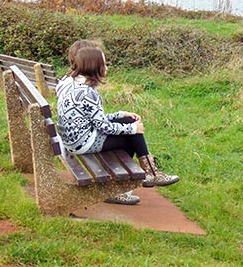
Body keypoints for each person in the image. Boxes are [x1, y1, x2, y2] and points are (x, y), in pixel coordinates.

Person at [56, 45, 179, 205]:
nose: (106, 67)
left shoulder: (73, 85)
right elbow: (103, 127)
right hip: (82, 143)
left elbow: (92, 118)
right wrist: (132, 129)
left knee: (129, 125)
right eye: (104, 64)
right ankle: (141, 177)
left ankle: (143, 175)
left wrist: (120, 115)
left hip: (74, 139)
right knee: (131, 134)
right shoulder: (88, 92)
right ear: (95, 66)